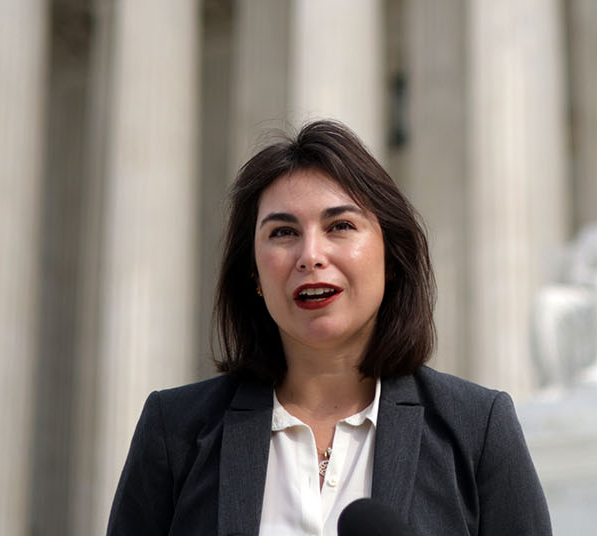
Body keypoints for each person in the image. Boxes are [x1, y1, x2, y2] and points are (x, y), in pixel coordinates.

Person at [105, 118, 554, 536]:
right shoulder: (176, 431)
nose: (311, 255)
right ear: (254, 277)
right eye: (283, 232)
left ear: (391, 259)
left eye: (340, 226)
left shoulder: (477, 429)